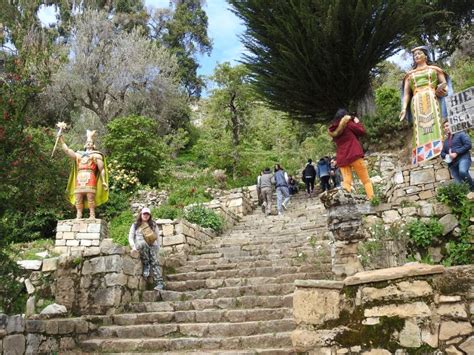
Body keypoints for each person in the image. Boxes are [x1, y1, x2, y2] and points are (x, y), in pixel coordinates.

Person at [400, 46, 452, 165]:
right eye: (415, 55)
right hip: (417, 100)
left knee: (436, 124)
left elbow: (446, 86)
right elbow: (406, 93)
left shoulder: (435, 69)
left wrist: (443, 90)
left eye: (419, 54)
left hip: (432, 98)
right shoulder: (410, 75)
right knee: (419, 127)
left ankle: (440, 151)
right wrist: (403, 108)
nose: (416, 56)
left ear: (425, 56)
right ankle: (421, 156)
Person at [60, 130, 109, 219]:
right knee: (78, 197)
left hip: (90, 177)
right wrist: (61, 140)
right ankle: (79, 215)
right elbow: (67, 151)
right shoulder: (79, 155)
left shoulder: (97, 155)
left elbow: (101, 170)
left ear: (93, 145)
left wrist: (104, 181)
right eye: (87, 142)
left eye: (90, 142)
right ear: (85, 144)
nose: (89, 143)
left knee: (90, 197)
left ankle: (92, 215)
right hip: (79, 177)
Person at [328, 109, 374, 200]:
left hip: (342, 158)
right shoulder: (348, 124)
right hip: (354, 154)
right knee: (365, 180)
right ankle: (372, 199)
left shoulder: (333, 130)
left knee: (347, 181)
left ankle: (345, 200)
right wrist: (357, 122)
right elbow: (362, 131)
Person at [128, 207, 165, 291]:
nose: (145, 215)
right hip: (140, 245)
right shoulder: (135, 225)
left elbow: (157, 238)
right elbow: (130, 237)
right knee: (142, 243)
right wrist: (133, 247)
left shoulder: (153, 225)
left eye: (147, 214)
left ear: (150, 215)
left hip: (152, 246)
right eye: (144, 214)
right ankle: (146, 264)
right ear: (141, 214)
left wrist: (157, 249)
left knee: (155, 261)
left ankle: (159, 283)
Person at [440, 120, 474, 191]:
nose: (445, 128)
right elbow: (442, 153)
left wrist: (456, 153)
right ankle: (467, 197)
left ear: (452, 125)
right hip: (452, 164)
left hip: (463, 158)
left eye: (447, 126)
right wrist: (447, 155)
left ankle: (472, 189)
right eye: (444, 127)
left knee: (463, 171)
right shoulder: (446, 141)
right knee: (459, 184)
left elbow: (468, 145)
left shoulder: (461, 134)